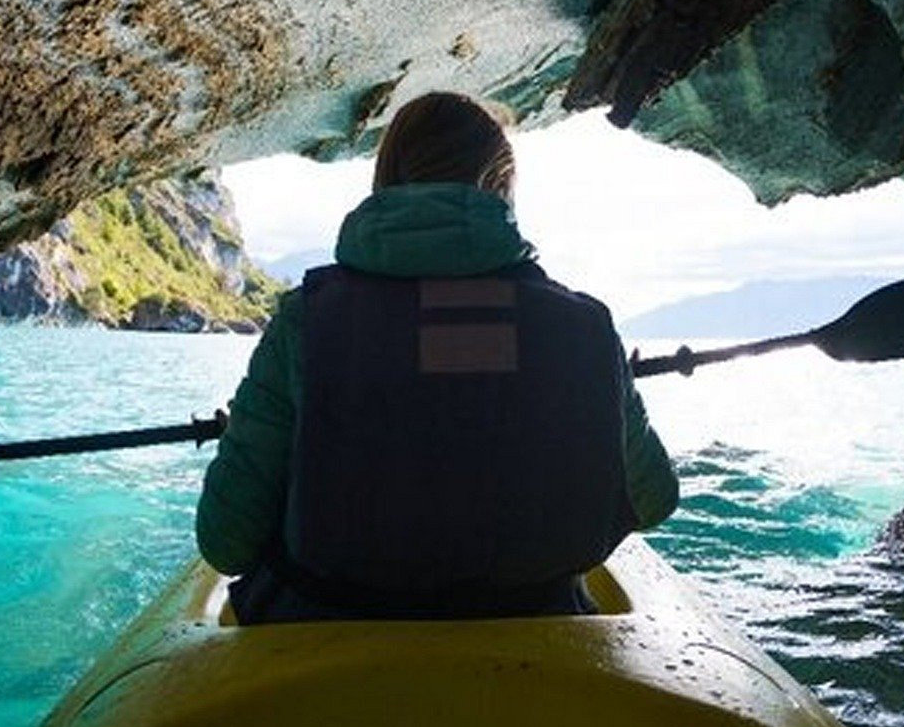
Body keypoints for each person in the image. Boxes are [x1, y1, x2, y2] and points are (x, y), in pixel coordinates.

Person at [196, 92, 678, 623]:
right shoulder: (585, 326)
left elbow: (226, 544)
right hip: (538, 646)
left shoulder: (303, 323)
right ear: (500, 189)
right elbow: (653, 499)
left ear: (387, 180)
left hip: (326, 650)